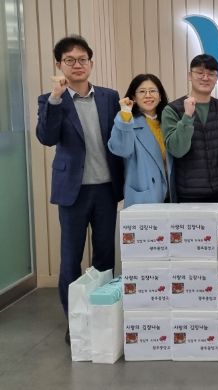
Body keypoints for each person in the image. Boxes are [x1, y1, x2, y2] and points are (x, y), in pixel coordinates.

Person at [35, 35, 123, 343]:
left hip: (106, 188)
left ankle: (103, 317)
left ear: (91, 63)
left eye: (82, 59)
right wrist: (56, 99)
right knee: (71, 257)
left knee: (105, 255)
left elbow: (119, 135)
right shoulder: (51, 99)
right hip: (73, 190)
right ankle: (75, 320)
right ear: (59, 65)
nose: (77, 65)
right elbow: (46, 137)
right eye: (70, 60)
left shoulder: (109, 97)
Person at [161, 54, 218, 203]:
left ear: (216, 78)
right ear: (190, 75)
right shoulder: (171, 110)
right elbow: (177, 150)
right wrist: (187, 116)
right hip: (187, 195)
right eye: (200, 73)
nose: (205, 78)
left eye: (211, 74)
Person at [108, 74, 170, 207]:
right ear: (134, 97)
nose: (148, 95)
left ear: (160, 96)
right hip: (145, 196)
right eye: (142, 92)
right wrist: (125, 113)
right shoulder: (127, 122)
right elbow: (122, 150)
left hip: (170, 194)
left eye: (152, 91)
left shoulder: (168, 122)